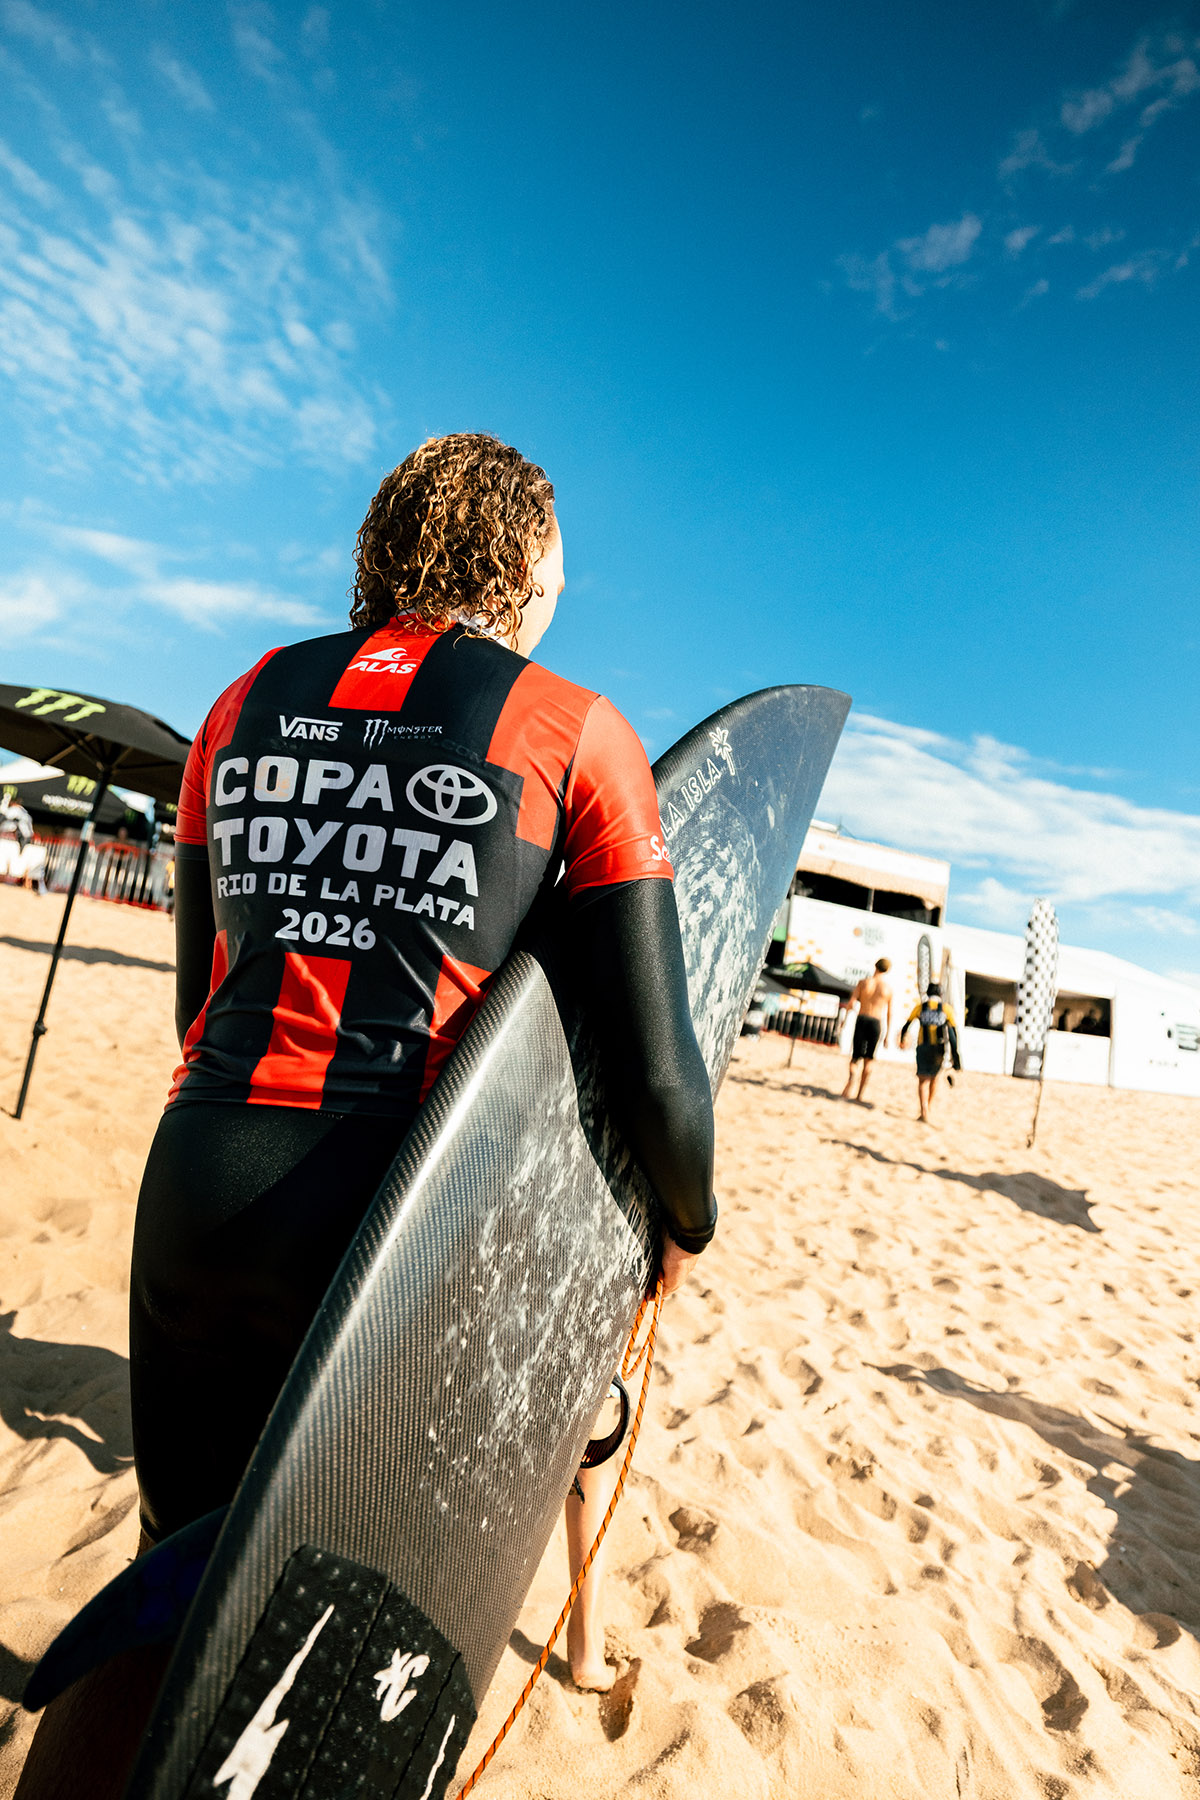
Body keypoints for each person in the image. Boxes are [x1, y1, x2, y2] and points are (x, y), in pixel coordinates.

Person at [16, 435, 717, 1797]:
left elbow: (199, 1000)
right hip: (399, 1224)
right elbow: (661, 1077)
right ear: (522, 562)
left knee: (178, 1587)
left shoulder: (238, 702)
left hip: (200, 1185)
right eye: (560, 566)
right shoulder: (575, 728)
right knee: (346, 1655)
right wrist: (686, 1221)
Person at [899, 980, 961, 1124]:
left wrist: (902, 1039)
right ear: (941, 994)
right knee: (934, 1078)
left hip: (923, 1046)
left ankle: (924, 1110)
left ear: (927, 992)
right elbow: (953, 1034)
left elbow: (906, 1026)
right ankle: (929, 1106)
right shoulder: (946, 1009)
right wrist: (955, 1055)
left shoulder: (920, 1007)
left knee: (923, 1079)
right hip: (938, 1049)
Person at [840, 957, 892, 1102]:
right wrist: (887, 1034)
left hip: (862, 1019)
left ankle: (851, 1079)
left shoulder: (864, 983)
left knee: (855, 1057)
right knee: (869, 1060)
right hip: (876, 1022)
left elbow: (851, 1003)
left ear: (875, 966)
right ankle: (859, 1094)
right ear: (887, 970)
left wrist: (844, 1020)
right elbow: (889, 1013)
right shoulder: (887, 989)